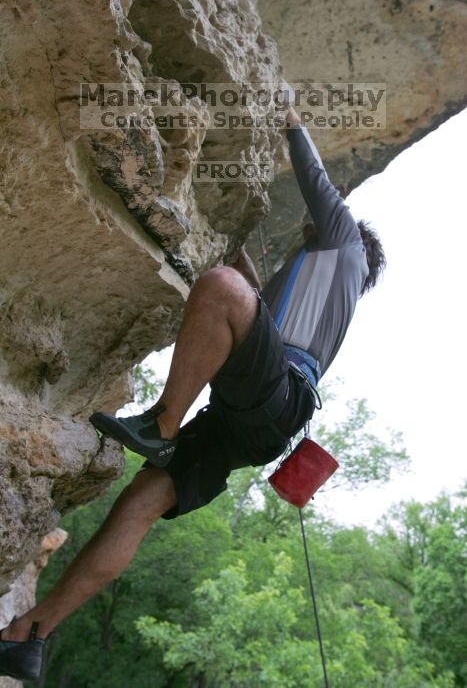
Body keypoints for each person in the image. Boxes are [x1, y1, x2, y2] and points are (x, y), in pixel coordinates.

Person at [0, 105, 386, 681]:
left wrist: (291, 121)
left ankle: (162, 424)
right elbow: (255, 318)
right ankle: (28, 635)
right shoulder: (312, 282)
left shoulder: (347, 248)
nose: (313, 225)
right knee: (141, 502)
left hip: (277, 392)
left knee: (221, 287)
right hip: (254, 418)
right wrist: (239, 258)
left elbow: (323, 195)